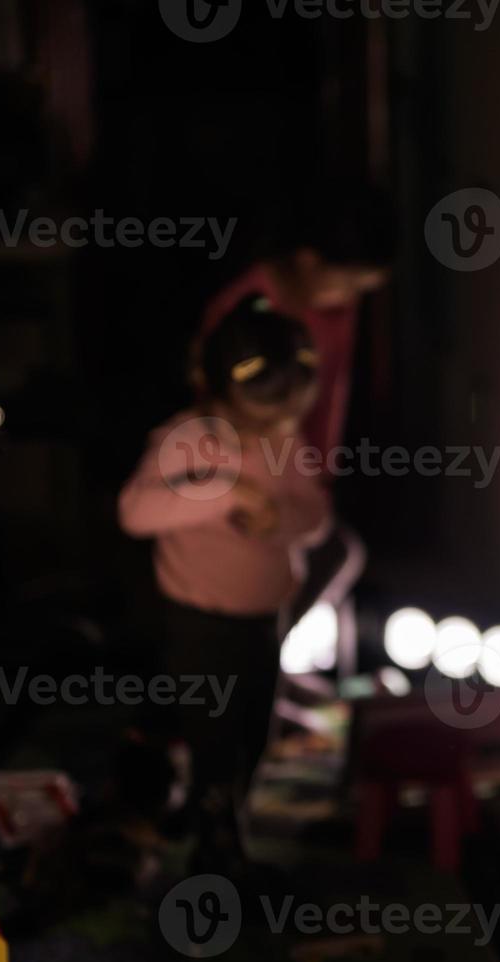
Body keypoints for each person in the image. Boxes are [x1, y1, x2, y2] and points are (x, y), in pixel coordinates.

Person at [118, 294, 332, 873]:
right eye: (262, 414)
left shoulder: (286, 440)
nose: (276, 425)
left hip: (264, 618)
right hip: (198, 619)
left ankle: (221, 810)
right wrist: (221, 490)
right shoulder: (185, 441)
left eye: (288, 412)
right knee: (212, 736)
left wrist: (279, 521)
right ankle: (215, 852)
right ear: (218, 391)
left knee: (252, 733)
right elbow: (135, 512)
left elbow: (315, 517)